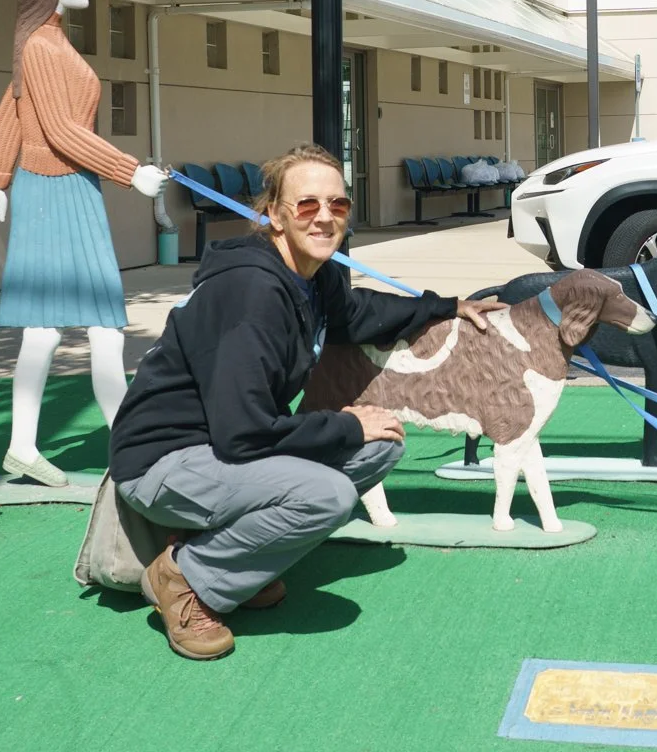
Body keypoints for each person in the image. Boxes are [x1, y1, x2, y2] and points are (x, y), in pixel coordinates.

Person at [108, 143, 505, 660]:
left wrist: (445, 306)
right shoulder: (251, 294)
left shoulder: (311, 278)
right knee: (328, 494)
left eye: (337, 205)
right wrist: (343, 427)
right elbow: (243, 432)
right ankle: (186, 577)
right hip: (166, 460)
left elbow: (355, 312)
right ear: (274, 215)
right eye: (306, 205)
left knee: (380, 444)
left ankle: (235, 561)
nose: (324, 218)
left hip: (226, 449)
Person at [0, 0, 168, 487]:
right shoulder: (42, 46)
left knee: (54, 330)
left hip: (61, 189)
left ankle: (28, 446)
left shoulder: (44, 44)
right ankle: (130, 447)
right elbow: (59, 130)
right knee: (94, 326)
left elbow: (13, 112)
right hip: (57, 190)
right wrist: (130, 171)